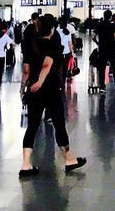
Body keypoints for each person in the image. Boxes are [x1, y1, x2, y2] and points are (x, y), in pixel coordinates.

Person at [19, 14, 87, 178]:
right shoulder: (54, 45)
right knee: (58, 123)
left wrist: (23, 88)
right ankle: (69, 159)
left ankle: (26, 164)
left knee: (32, 125)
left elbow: (26, 69)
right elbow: (47, 65)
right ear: (51, 29)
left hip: (33, 91)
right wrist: (40, 83)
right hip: (51, 89)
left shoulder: (31, 44)